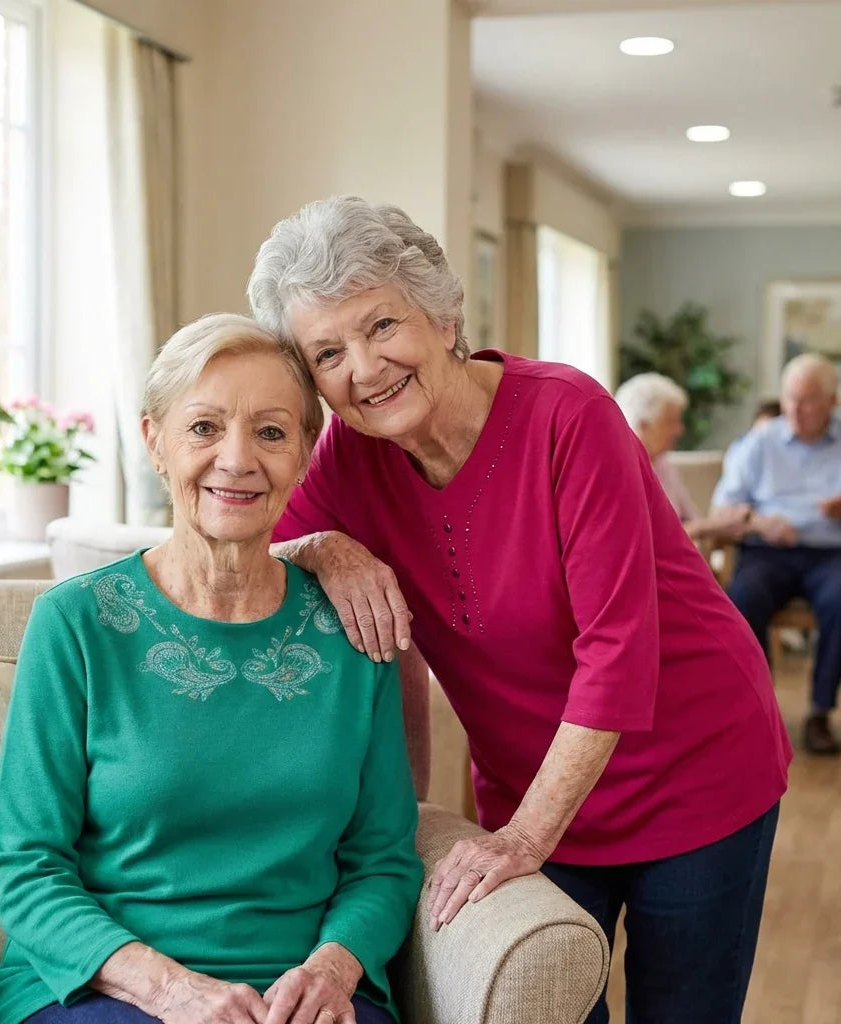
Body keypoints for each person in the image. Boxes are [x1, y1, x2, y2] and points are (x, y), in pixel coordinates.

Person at [247, 196, 791, 1024]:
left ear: (442, 312)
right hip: (527, 782)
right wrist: (323, 547)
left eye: (382, 324)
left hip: (694, 766)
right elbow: (250, 554)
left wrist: (522, 840)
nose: (364, 367)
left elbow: (618, 652)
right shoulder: (347, 460)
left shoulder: (567, 416)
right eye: (328, 351)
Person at [0, 313, 422, 1024]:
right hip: (103, 985)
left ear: (305, 453)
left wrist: (332, 970)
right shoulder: (76, 624)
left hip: (301, 993)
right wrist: (169, 990)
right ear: (155, 442)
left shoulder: (352, 629)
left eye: (272, 432)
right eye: (205, 428)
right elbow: (25, 863)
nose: (238, 459)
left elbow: (385, 860)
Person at [712, 353, 841, 756]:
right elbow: (722, 511)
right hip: (768, 552)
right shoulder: (758, 444)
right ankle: (757, 710)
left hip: (831, 554)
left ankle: (819, 712)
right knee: (743, 599)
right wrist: (757, 521)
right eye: (789, 399)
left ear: (832, 401)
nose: (795, 411)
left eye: (807, 401)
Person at [614, 371, 750, 540]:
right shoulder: (619, 472)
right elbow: (649, 541)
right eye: (671, 421)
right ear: (643, 426)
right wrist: (702, 528)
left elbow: (692, 520)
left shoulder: (663, 464)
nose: (680, 430)